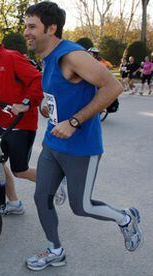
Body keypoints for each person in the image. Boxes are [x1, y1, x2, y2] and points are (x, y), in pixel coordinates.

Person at [23, 2, 143, 271]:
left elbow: (114, 85)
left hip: (80, 148)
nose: (26, 32)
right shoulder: (48, 58)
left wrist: (75, 121)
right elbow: (63, 92)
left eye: (32, 26)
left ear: (51, 28)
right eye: (25, 26)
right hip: (53, 145)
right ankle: (55, 250)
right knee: (42, 197)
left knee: (81, 206)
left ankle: (125, 218)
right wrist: (48, 107)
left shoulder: (71, 56)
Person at [0, 23, 44, 215]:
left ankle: (54, 180)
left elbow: (37, 79)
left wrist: (26, 103)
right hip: (3, 122)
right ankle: (14, 204)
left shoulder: (11, 57)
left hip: (22, 124)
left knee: (20, 170)